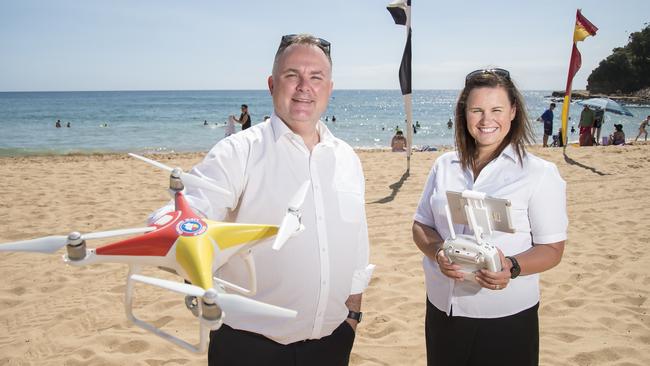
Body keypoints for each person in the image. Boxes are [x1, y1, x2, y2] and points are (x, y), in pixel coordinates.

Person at [150, 33, 373, 366]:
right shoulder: (239, 152)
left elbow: (357, 245)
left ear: (329, 88)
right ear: (272, 84)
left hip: (332, 343)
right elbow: (183, 213)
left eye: (316, 77)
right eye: (291, 75)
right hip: (249, 347)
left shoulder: (347, 158)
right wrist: (174, 232)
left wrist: (352, 315)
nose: (304, 86)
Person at [412, 68, 567, 366]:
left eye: (496, 109)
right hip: (443, 312)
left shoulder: (539, 174)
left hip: (506, 318)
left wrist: (512, 266)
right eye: (477, 110)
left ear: (513, 112)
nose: (486, 120)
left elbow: (552, 250)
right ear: (464, 113)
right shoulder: (444, 165)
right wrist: (439, 251)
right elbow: (421, 225)